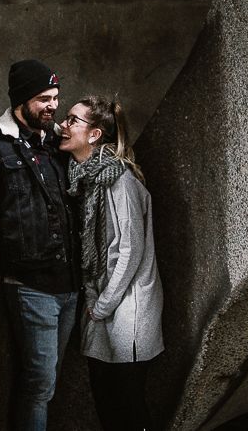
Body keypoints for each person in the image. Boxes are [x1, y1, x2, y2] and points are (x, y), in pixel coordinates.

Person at [0, 59, 79, 431]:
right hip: (30, 287)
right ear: (21, 100)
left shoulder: (58, 143)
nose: (52, 106)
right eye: (43, 98)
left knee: (49, 380)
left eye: (55, 97)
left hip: (70, 285)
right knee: (39, 383)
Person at [58, 95, 164, 431]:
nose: (64, 125)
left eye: (73, 120)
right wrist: (96, 302)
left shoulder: (120, 180)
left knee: (128, 407)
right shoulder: (85, 182)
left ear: (94, 134)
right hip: (101, 306)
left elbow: (130, 250)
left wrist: (101, 304)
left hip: (128, 305)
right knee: (106, 400)